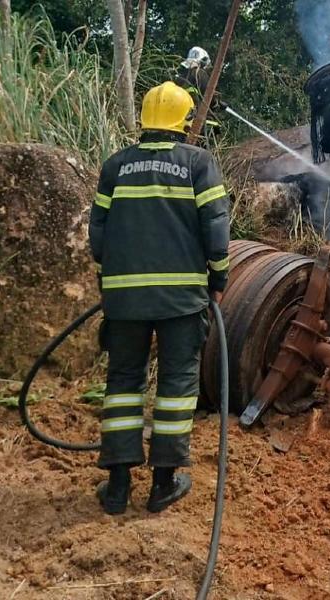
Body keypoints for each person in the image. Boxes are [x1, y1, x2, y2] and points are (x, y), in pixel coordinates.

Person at [88, 81, 230, 515]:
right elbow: (216, 230)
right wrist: (218, 278)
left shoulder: (116, 166)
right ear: (184, 123)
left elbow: (98, 235)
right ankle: (163, 484)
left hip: (124, 300)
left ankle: (117, 488)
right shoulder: (198, 164)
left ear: (146, 121)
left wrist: (114, 280)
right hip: (181, 299)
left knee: (122, 382)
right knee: (176, 384)